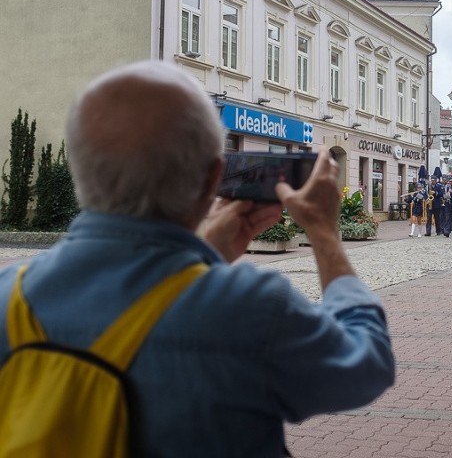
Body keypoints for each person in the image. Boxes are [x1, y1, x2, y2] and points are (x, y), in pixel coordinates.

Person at [0, 61, 394, 457]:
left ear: (79, 168)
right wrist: (324, 233)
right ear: (212, 179)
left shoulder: (8, 296)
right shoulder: (249, 308)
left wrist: (210, 252)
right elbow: (366, 366)